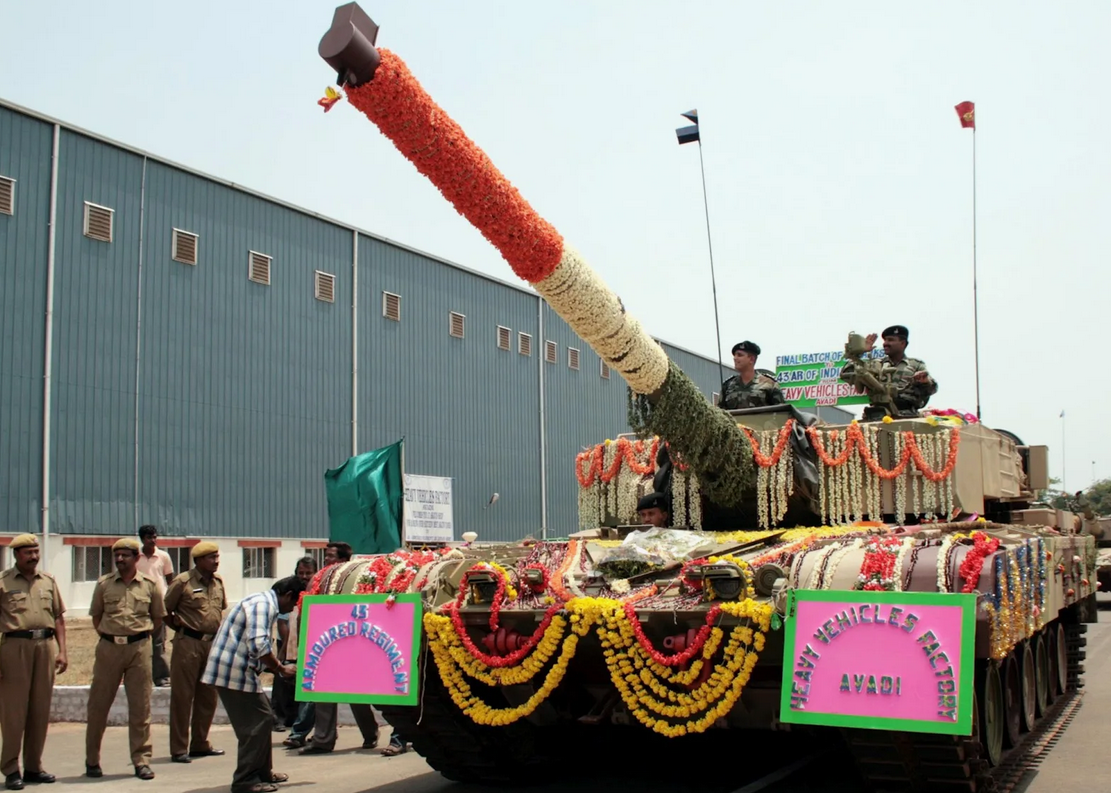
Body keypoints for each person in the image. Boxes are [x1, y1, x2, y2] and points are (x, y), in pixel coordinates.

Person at [202, 576, 305, 793]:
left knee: (264, 719)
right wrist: (280, 669)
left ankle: (263, 772)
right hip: (233, 669)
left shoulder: (262, 602)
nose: (292, 608)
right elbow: (259, 644)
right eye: (293, 603)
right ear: (287, 595)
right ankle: (245, 780)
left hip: (237, 668)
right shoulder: (263, 605)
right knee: (256, 724)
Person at [85, 537, 166, 781]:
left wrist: (137, 638)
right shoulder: (104, 584)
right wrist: (112, 637)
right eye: (117, 556)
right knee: (98, 705)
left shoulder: (150, 585)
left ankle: (141, 761)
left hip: (139, 649)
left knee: (141, 707)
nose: (120, 559)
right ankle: (92, 761)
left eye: (125, 555)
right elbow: (96, 617)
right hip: (109, 649)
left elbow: (158, 619)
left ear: (136, 558)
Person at [0, 534, 67, 791]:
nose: (34, 556)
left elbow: (59, 618)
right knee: (14, 712)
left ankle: (33, 767)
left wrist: (63, 651)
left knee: (40, 710)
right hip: (14, 647)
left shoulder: (48, 581)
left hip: (45, 647)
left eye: (36, 551)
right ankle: (10, 768)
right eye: (28, 552)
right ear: (16, 555)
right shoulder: (4, 582)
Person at [299, 542, 379, 754]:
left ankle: (370, 733)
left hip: (351, 641)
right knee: (323, 691)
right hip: (324, 642)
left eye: (331, 557)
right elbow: (306, 608)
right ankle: (323, 740)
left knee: (355, 693)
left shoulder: (360, 577)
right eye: (325, 557)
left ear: (344, 560)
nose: (327, 561)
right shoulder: (319, 579)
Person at [164, 541, 227, 764]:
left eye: (217, 557)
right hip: (187, 644)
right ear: (199, 560)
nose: (216, 561)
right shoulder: (182, 582)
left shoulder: (218, 582)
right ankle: (179, 748)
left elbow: (220, 610)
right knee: (182, 697)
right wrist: (182, 628)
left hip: (211, 644)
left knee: (208, 697)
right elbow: (165, 610)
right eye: (211, 557)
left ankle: (200, 743)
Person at [840, 325, 937, 421]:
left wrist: (925, 381)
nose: (885, 343)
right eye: (885, 340)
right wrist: (859, 352)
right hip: (877, 415)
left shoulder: (916, 364)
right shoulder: (876, 364)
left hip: (907, 415)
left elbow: (933, 388)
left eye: (890, 340)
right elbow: (846, 374)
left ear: (902, 343)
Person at [272, 557, 317, 732]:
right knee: (283, 684)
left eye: (308, 573)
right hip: (289, 644)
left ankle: (298, 721)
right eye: (301, 573)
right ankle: (279, 719)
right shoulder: (290, 590)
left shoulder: (317, 590)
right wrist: (284, 649)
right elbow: (283, 621)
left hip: (310, 645)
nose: (304, 576)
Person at [135, 525, 174, 687]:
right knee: (137, 642)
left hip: (160, 605)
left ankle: (162, 677)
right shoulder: (136, 557)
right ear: (142, 539)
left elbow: (170, 580)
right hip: (140, 604)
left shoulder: (163, 556)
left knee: (158, 642)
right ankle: (136, 676)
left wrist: (172, 602)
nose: (153, 540)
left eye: (155, 537)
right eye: (149, 538)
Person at [719, 341, 784, 410]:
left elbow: (780, 414)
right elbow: (719, 414)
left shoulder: (769, 384)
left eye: (739, 355)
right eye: (734, 355)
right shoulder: (728, 386)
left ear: (751, 359)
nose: (735, 358)